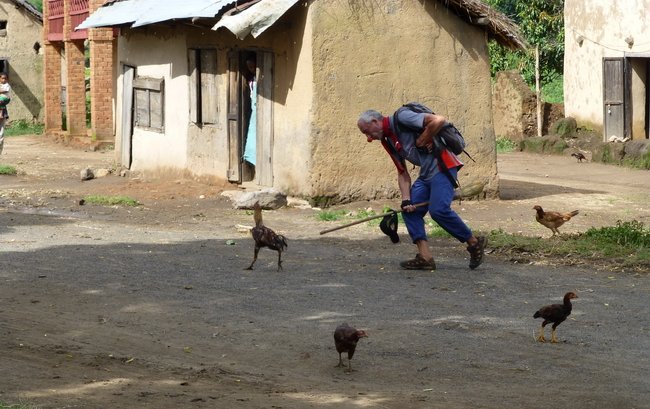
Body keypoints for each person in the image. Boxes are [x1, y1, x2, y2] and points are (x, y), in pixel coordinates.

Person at [357, 105, 487, 270]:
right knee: (409, 211)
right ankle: (425, 258)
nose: (368, 138)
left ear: (375, 121)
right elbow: (402, 172)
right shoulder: (388, 141)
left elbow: (438, 120)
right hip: (426, 175)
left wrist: (422, 139)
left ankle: (474, 243)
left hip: (443, 167)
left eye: (367, 131)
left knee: (438, 210)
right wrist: (406, 200)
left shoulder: (402, 117)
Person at [0, 72, 10, 155]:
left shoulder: (6, 85)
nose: (4, 80)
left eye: (5, 78)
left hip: (3, 106)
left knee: (1, 134)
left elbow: (5, 92)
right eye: (2, 78)